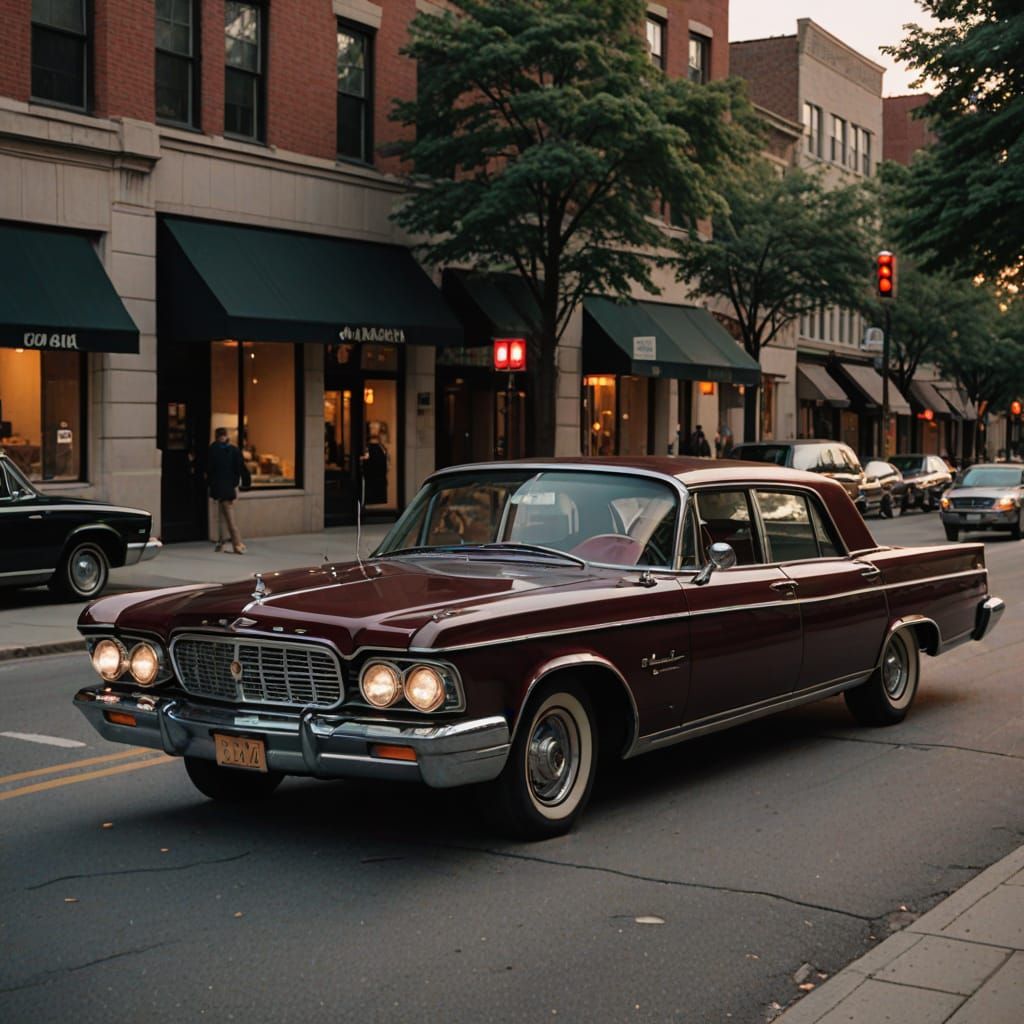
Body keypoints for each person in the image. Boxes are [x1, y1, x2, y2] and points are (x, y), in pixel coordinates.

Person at [207, 427, 251, 553]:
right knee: (229, 518)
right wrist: (241, 484)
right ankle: (237, 544)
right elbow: (240, 468)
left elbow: (209, 469)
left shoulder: (213, 449)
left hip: (218, 488)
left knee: (222, 518)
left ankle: (224, 543)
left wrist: (211, 484)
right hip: (227, 488)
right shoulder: (233, 450)